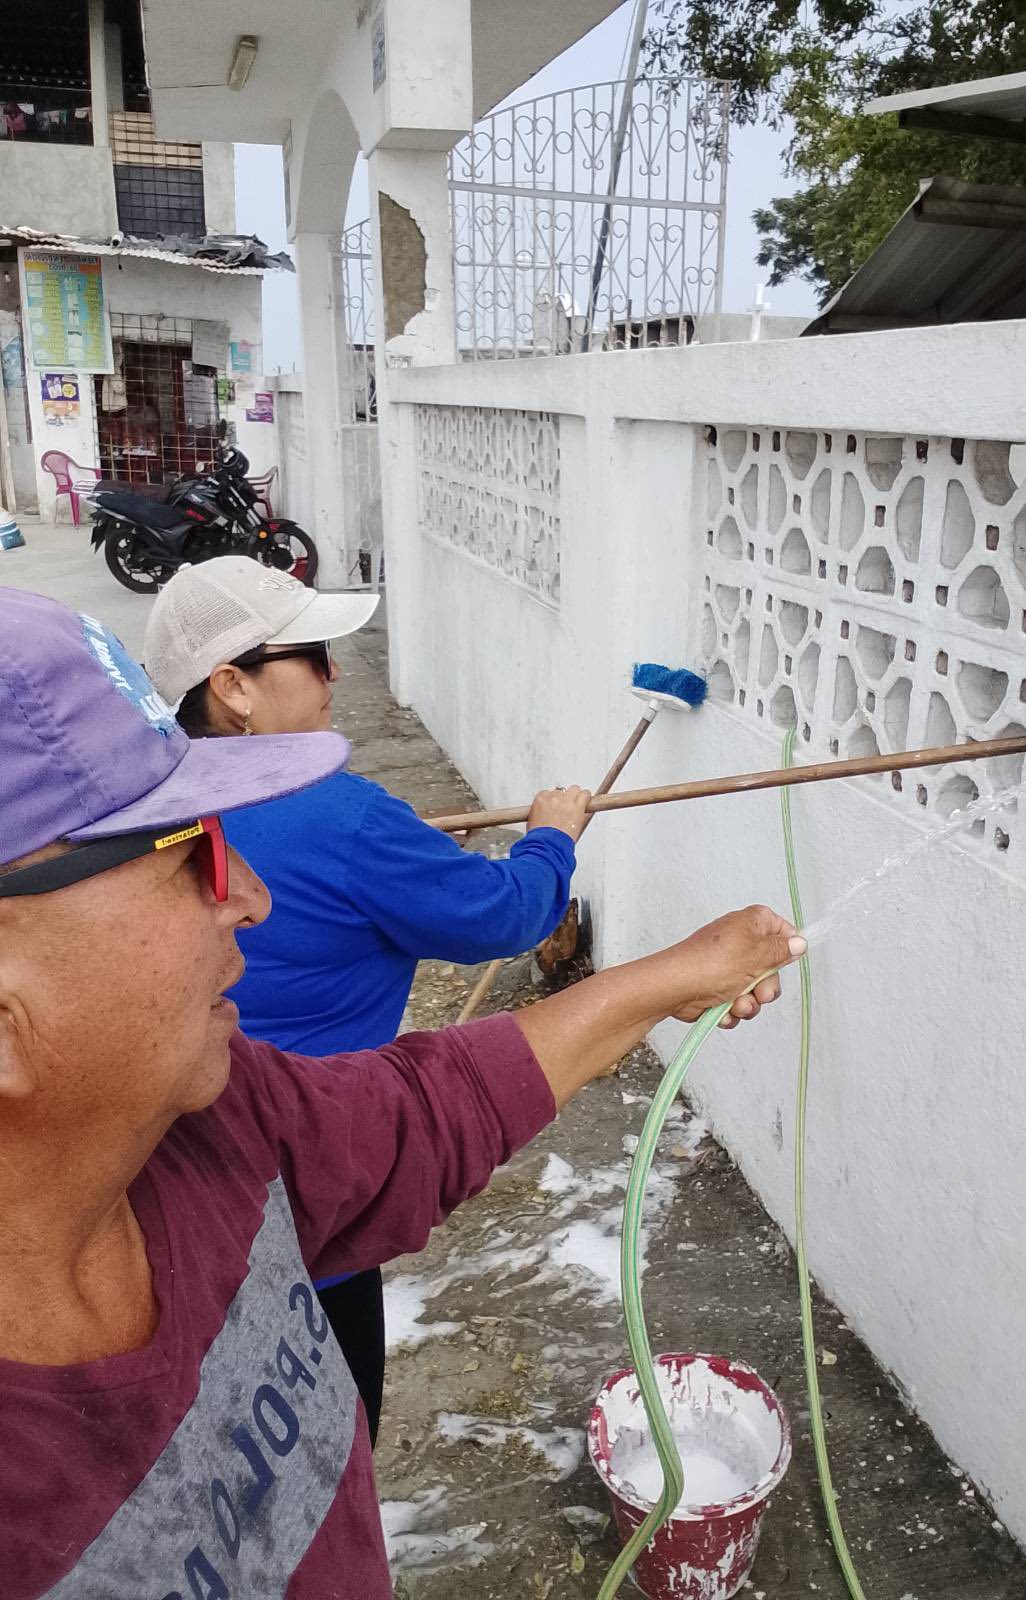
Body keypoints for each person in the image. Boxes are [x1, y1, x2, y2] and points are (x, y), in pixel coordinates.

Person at [0, 585, 802, 1599]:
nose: (248, 896)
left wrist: (665, 979)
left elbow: (426, 1108)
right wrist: (553, 840)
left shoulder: (222, 1122)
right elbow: (502, 912)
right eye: (181, 849)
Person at [141, 556, 590, 1446]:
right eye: (312, 655)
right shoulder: (341, 814)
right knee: (328, 1444)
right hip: (304, 1189)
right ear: (233, 686)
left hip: (167, 1178)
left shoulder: (144, 797)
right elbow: (502, 915)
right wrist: (551, 838)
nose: (336, 672)